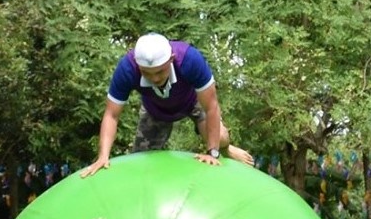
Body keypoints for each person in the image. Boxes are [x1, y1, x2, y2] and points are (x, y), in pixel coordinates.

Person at [81, 33, 250, 173]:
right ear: (138, 67)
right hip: (155, 109)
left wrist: (213, 153)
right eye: (147, 73)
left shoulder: (189, 59)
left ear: (171, 59)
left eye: (160, 71)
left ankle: (226, 149)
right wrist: (103, 156)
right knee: (142, 163)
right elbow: (111, 114)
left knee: (219, 138)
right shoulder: (127, 69)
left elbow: (211, 106)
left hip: (193, 101)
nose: (155, 78)